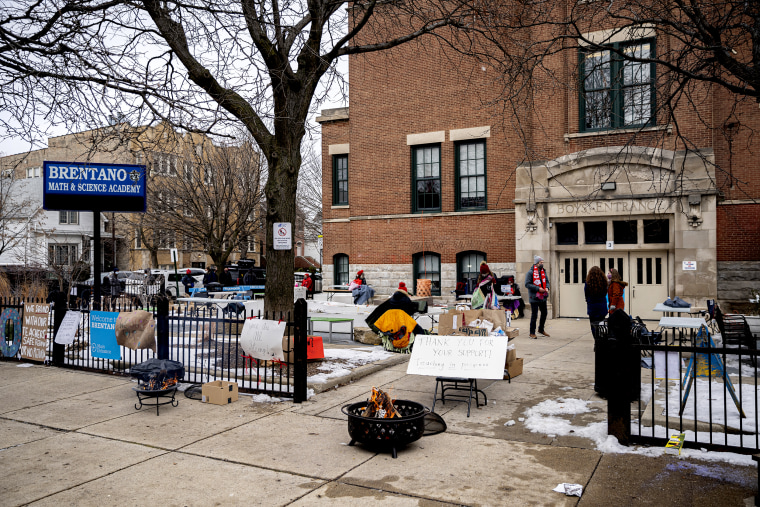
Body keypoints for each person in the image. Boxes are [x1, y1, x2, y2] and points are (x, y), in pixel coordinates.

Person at [525, 255, 550, 339]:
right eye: (541, 263)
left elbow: (546, 281)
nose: (542, 264)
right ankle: (532, 332)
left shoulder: (543, 271)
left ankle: (541, 329)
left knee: (544, 313)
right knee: (534, 315)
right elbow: (527, 284)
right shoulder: (530, 272)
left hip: (543, 297)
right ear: (536, 263)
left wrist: (547, 287)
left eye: (542, 262)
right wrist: (538, 289)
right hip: (534, 297)